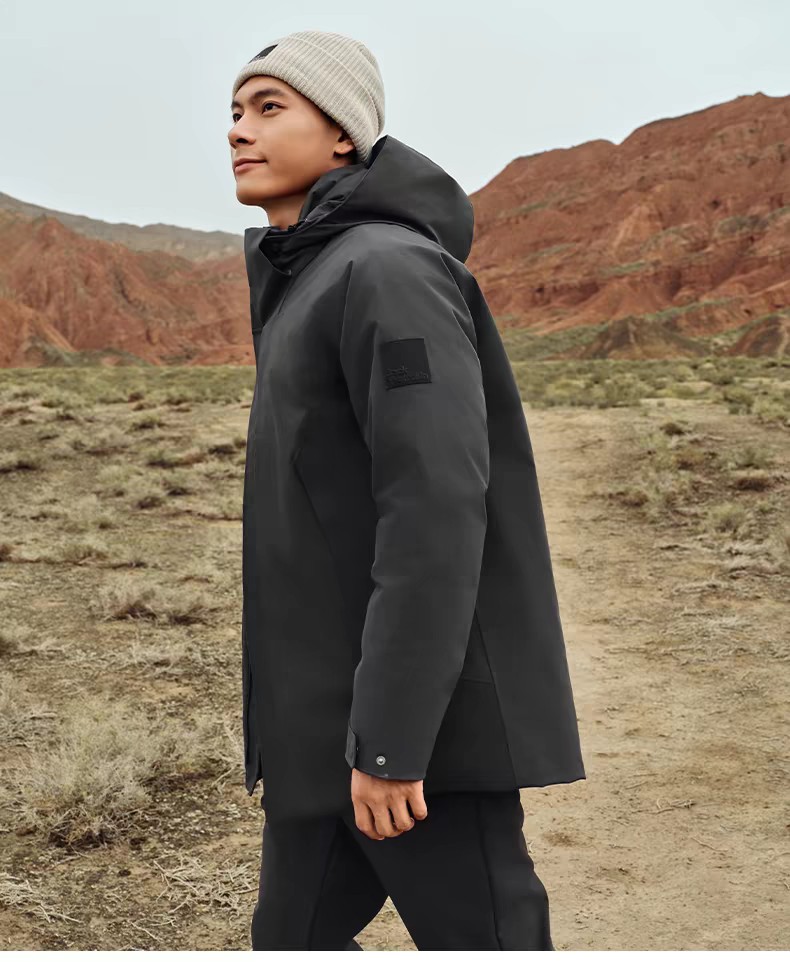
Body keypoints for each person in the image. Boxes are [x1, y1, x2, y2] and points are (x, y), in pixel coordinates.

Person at [229, 29, 586, 951]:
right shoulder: (309, 278)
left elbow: (433, 509)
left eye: (269, 107)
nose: (238, 129)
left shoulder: (387, 271)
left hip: (414, 745)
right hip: (322, 732)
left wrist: (391, 741)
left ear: (343, 133)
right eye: (234, 110)